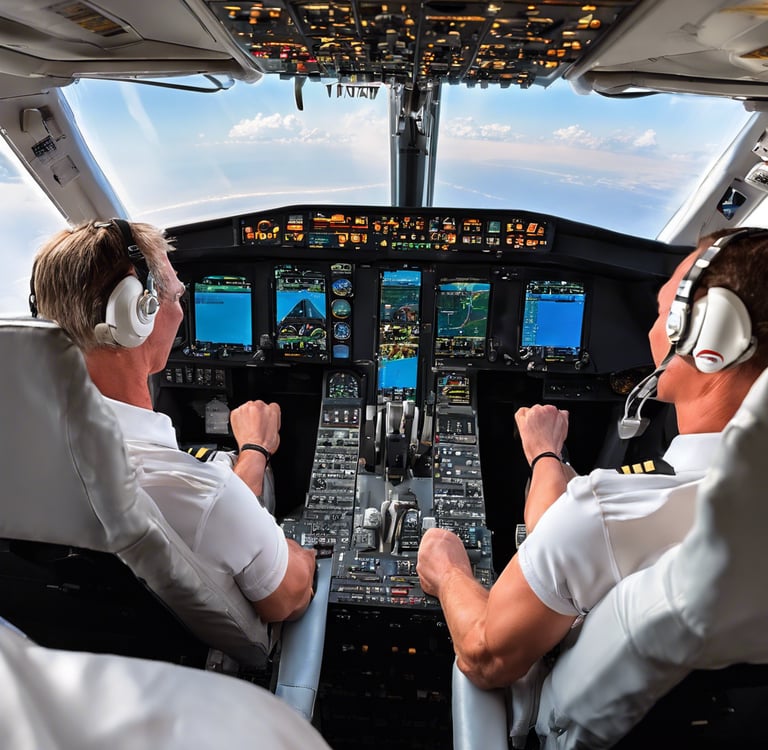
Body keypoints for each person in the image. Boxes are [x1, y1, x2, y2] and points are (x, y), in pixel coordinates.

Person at [417, 227, 768, 689]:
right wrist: (549, 459)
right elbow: (563, 536)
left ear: (711, 335)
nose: (652, 328)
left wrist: (448, 572)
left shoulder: (607, 512)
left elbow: (484, 657)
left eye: (665, 311)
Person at [30, 219, 316, 623]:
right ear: (137, 314)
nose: (180, 310)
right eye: (176, 296)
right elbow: (289, 598)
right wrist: (255, 452)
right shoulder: (199, 494)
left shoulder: (21, 455)